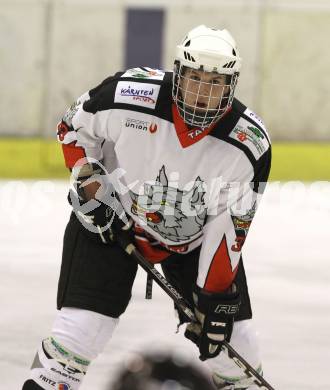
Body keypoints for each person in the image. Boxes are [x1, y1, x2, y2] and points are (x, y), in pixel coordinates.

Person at [23, 25, 271, 390]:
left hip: (194, 241)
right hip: (110, 223)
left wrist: (212, 298)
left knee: (236, 349)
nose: (203, 93)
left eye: (215, 82)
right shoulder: (128, 95)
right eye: (195, 78)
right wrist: (92, 187)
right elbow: (73, 128)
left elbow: (228, 228)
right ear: (177, 73)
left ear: (231, 85)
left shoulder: (248, 144)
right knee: (77, 337)